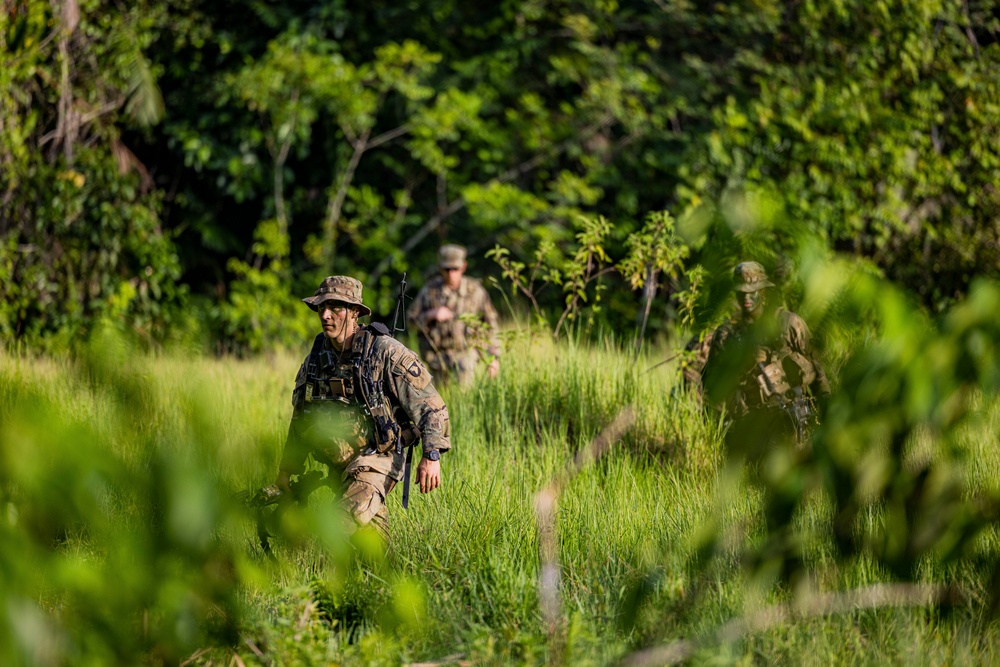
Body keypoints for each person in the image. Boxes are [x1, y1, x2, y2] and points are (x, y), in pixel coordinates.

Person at [274, 276, 450, 543]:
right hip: (340, 465)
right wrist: (286, 471)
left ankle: (312, 581)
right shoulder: (316, 359)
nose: (326, 315)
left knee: (336, 527)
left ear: (355, 312)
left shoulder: (384, 351)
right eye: (321, 308)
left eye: (336, 308)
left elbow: (432, 405)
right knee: (373, 552)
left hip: (379, 459)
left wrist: (432, 455)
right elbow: (300, 417)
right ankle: (384, 582)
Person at [701, 261, 830, 449]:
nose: (746, 297)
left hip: (793, 425)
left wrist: (826, 416)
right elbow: (712, 389)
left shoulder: (790, 324)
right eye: (741, 292)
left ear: (763, 292)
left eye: (752, 291)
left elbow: (818, 371)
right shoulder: (726, 335)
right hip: (750, 429)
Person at [407, 244, 502, 386]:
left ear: (463, 267)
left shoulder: (476, 292)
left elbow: (491, 324)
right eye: (447, 269)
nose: (451, 273)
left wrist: (493, 357)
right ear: (440, 268)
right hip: (436, 358)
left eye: (455, 269)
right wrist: (430, 315)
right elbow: (410, 321)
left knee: (464, 389)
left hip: (466, 355)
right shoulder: (429, 291)